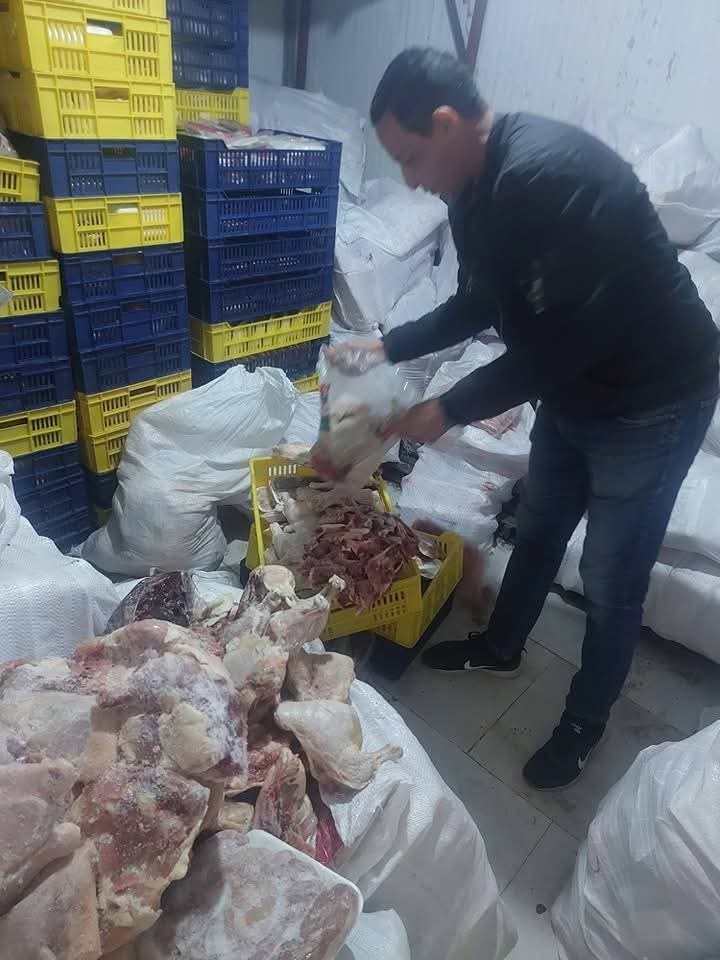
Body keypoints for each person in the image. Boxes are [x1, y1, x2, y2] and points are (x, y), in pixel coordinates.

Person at [332, 47, 720, 790]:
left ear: (446, 124)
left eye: (410, 157)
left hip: (653, 399)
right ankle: (501, 646)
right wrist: (387, 344)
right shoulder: (470, 188)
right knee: (539, 525)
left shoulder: (551, 179)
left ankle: (584, 721)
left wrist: (447, 409)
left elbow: (558, 347)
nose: (408, 178)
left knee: (610, 576)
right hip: (576, 388)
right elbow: (478, 304)